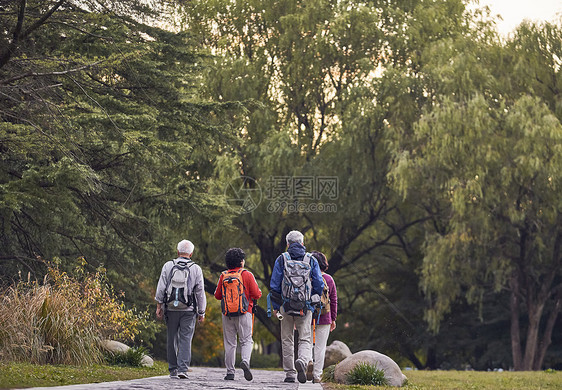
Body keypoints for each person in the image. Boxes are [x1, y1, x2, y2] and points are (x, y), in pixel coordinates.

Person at [270, 230, 324, 383]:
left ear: (288, 244)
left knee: (287, 338)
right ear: (302, 243)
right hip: (305, 306)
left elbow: (274, 285)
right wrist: (312, 302)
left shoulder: (282, 259)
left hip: (285, 305)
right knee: (305, 339)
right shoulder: (311, 259)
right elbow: (319, 284)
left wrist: (276, 306)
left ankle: (290, 374)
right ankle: (302, 360)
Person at [155, 239, 206, 379]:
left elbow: (161, 287)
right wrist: (201, 311)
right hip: (189, 310)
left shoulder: (168, 265)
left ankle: (173, 369)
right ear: (191, 253)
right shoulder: (196, 268)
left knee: (172, 338)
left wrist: (159, 306)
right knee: (186, 338)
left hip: (170, 308)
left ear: (178, 252)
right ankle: (183, 369)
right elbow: (200, 292)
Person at [214, 248, 262, 381]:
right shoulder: (247, 274)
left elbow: (217, 296)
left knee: (230, 343)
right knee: (246, 340)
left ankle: (230, 372)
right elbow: (257, 294)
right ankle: (245, 361)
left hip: (227, 313)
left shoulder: (223, 275)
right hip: (245, 312)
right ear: (241, 261)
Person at [308, 250, 337, 384]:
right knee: (320, 347)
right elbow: (333, 299)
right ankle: (317, 375)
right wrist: (333, 319)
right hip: (325, 316)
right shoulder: (329, 279)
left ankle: (307, 362)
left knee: (306, 342)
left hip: (307, 315)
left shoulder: (306, 277)